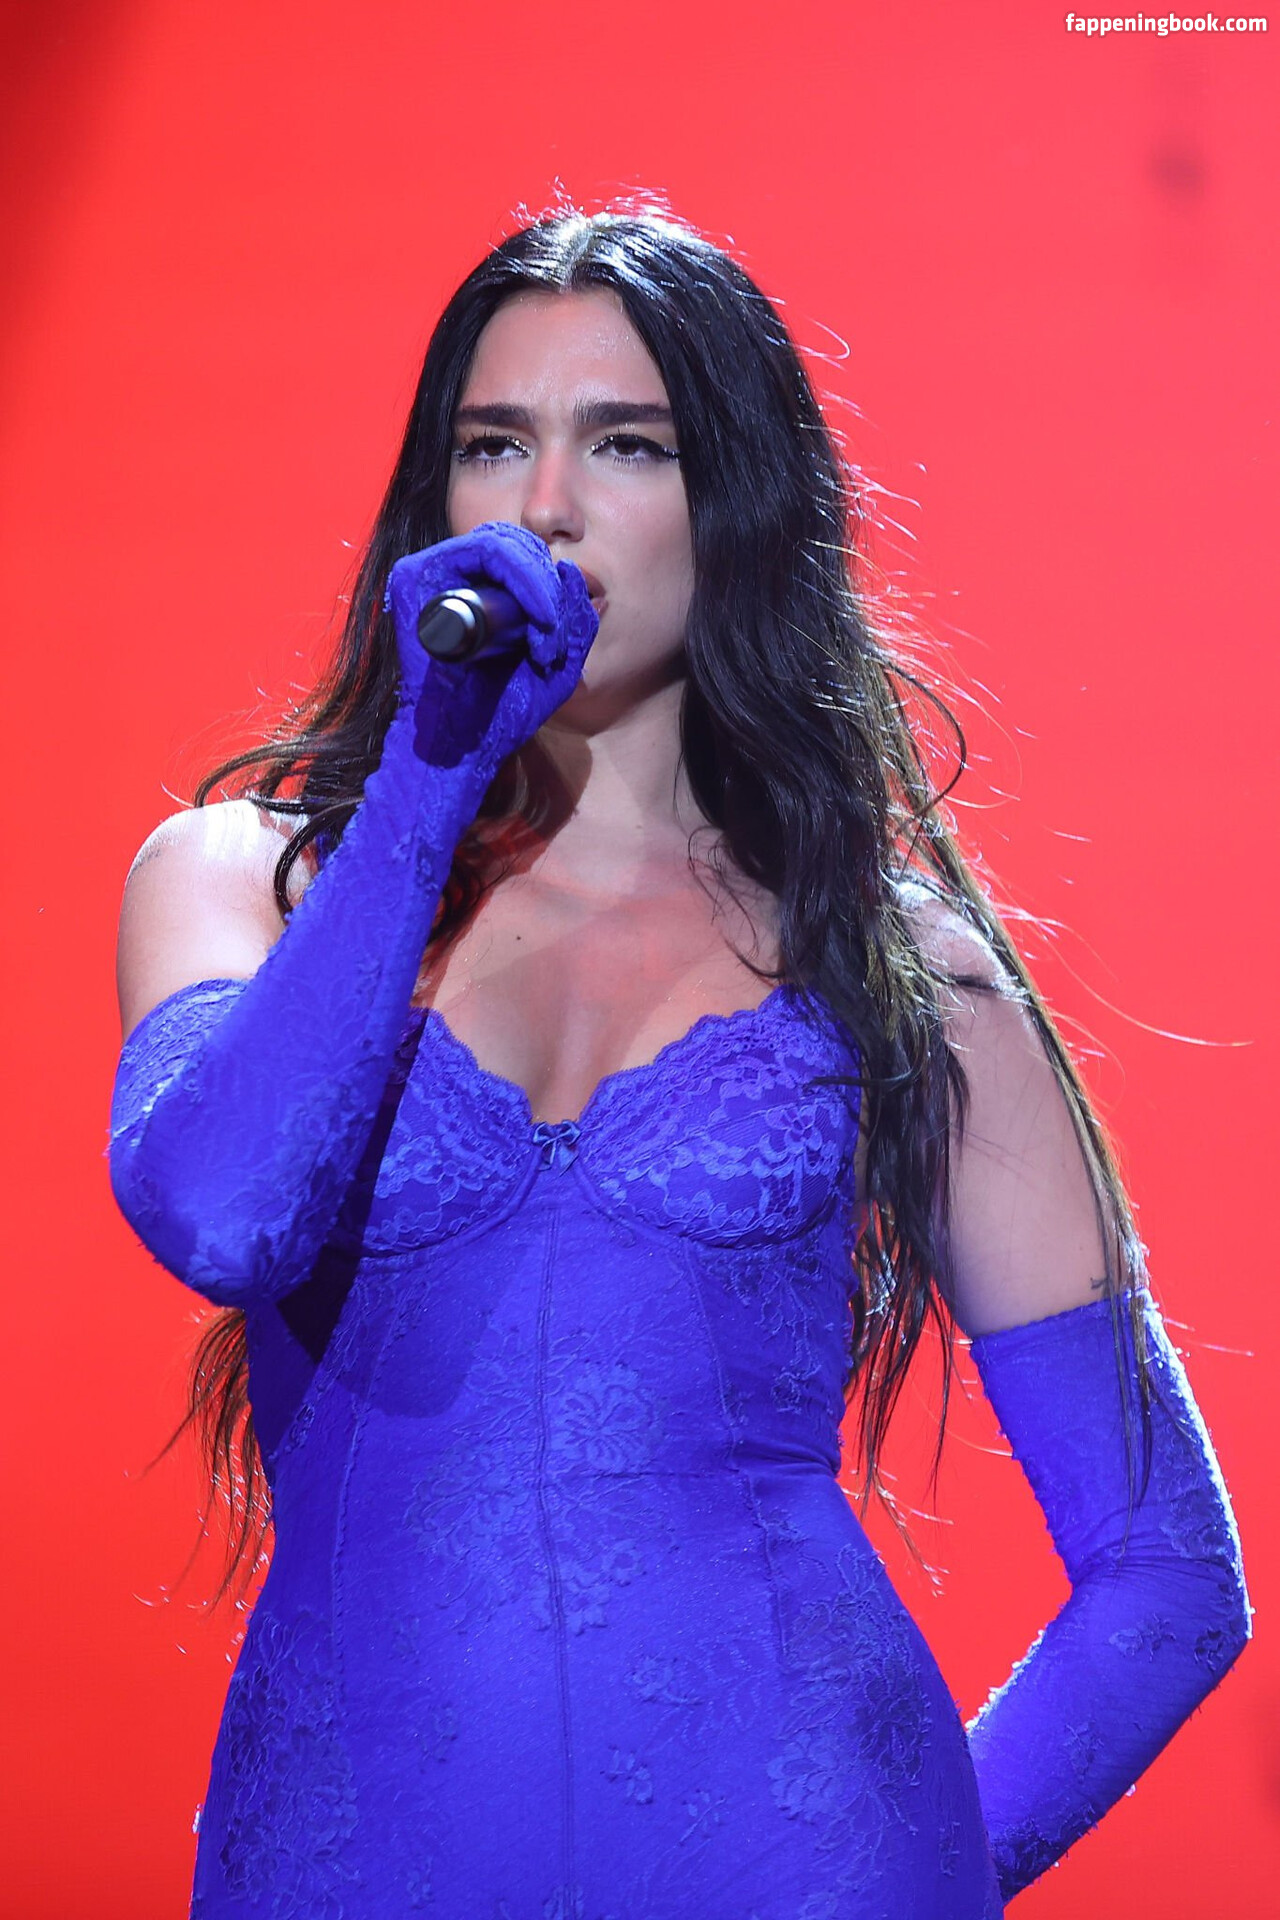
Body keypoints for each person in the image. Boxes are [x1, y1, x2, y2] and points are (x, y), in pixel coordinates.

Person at [108, 204, 1249, 1920]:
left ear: (737, 505)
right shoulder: (242, 885)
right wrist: (431, 773)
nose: (546, 505)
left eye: (626, 444)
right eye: (494, 443)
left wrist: (914, 1869)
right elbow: (224, 1215)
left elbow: (1166, 1576)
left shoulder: (902, 971)